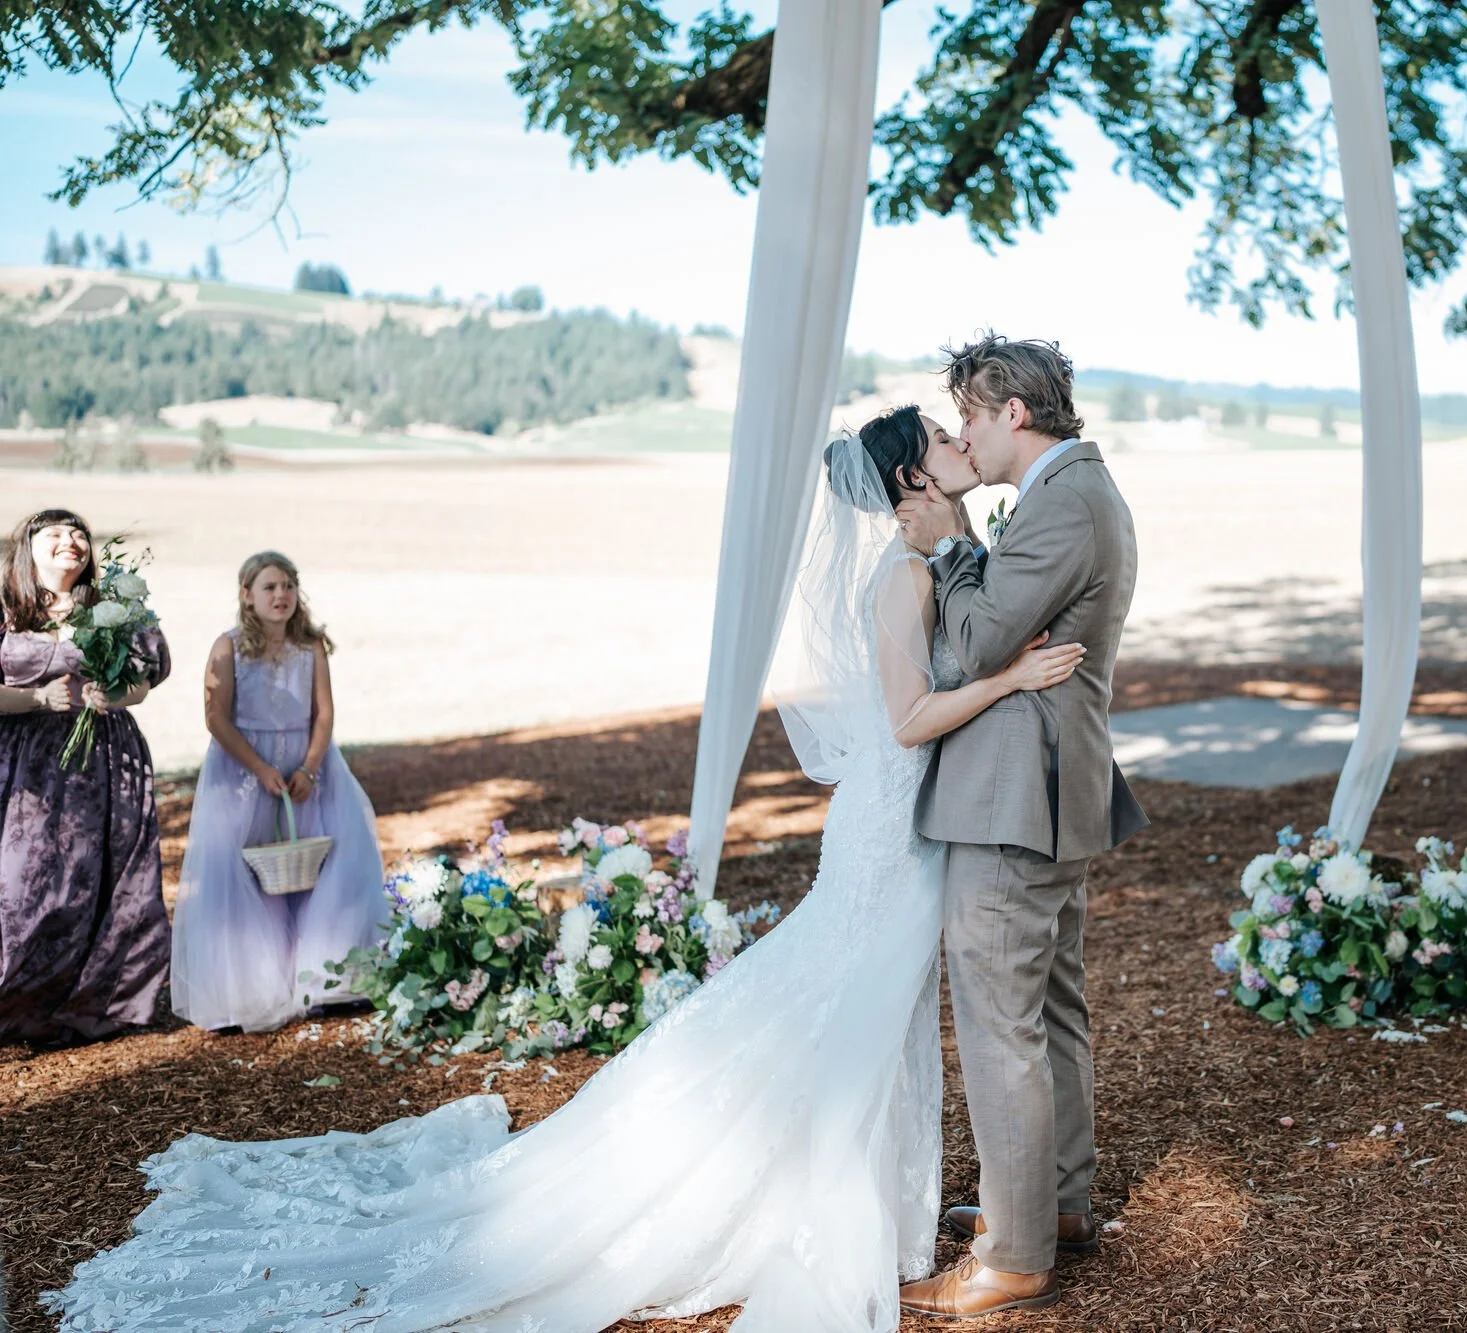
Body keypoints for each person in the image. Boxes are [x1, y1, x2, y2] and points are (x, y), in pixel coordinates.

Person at [47, 406, 1088, 1333]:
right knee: (846, 1004)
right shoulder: (901, 576)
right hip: (889, 831)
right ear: (910, 476)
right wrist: (1009, 677)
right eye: (943, 439)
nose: (960, 442)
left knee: (861, 1008)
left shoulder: (924, 556)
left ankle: (873, 1207)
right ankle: (809, 1206)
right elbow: (908, 720)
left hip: (904, 828)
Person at [892, 334, 1147, 1319]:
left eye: (967, 416)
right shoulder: (1071, 494)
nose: (961, 435)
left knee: (1003, 1030)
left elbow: (970, 647)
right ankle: (1059, 1202)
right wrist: (982, 570)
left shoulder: (1063, 504)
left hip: (1016, 799)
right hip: (1052, 791)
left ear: (1012, 413)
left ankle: (1015, 1249)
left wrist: (951, 549)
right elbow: (1002, 626)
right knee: (1052, 1012)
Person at [170, 552, 387, 1033]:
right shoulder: (227, 649)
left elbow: (324, 713)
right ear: (246, 594)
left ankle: (332, 981)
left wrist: (308, 768)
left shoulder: (310, 648)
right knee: (245, 870)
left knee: (335, 861)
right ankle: (244, 992)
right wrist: (260, 768)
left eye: (288, 585)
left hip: (310, 765)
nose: (281, 595)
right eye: (269, 587)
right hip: (244, 768)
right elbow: (215, 718)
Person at [0, 508, 172, 1047]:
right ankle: (14, 1000)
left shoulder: (114, 606)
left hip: (103, 760)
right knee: (22, 884)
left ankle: (86, 1003)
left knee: (98, 881)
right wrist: (34, 698)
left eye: (78, 535)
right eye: (55, 534)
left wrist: (113, 695)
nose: (71, 541)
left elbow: (141, 681)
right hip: (23, 770)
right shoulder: (5, 609)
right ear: (27, 548)